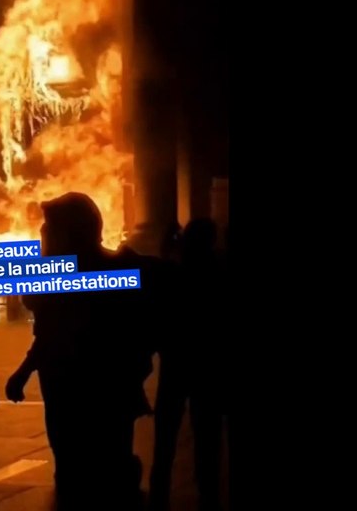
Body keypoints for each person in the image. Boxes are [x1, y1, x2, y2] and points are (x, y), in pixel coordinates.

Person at [5, 192, 155, 509]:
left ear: (70, 233)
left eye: (49, 230)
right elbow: (48, 332)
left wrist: (23, 372)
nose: (42, 235)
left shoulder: (95, 276)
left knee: (91, 467)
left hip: (89, 389)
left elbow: (54, 333)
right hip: (76, 389)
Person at [150, 218, 225, 511]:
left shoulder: (174, 272)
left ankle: (159, 494)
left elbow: (158, 269)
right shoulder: (218, 272)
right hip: (208, 364)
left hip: (176, 363)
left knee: (165, 434)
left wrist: (168, 241)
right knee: (208, 435)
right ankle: (209, 495)